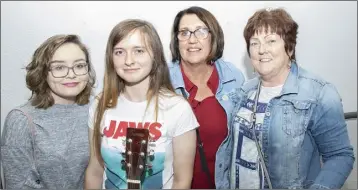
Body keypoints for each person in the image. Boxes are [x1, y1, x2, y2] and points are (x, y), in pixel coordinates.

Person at [228, 8, 355, 189]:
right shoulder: (244, 91)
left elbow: (340, 156)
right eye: (254, 43)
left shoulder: (319, 93)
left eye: (271, 41)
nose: (261, 50)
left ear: (289, 47)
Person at [84, 19, 199, 189]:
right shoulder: (100, 105)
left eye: (138, 51)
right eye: (119, 52)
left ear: (155, 56)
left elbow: (182, 181)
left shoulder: (177, 109)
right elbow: (95, 170)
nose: (128, 60)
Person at [1, 34, 96, 189]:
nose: (71, 75)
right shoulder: (21, 120)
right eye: (59, 67)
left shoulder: (96, 111)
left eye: (79, 66)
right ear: (43, 72)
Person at [168, 6, 245, 189]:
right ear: (176, 40)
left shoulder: (233, 77)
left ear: (213, 36)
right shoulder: (162, 82)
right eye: (184, 32)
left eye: (201, 31)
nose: (192, 40)